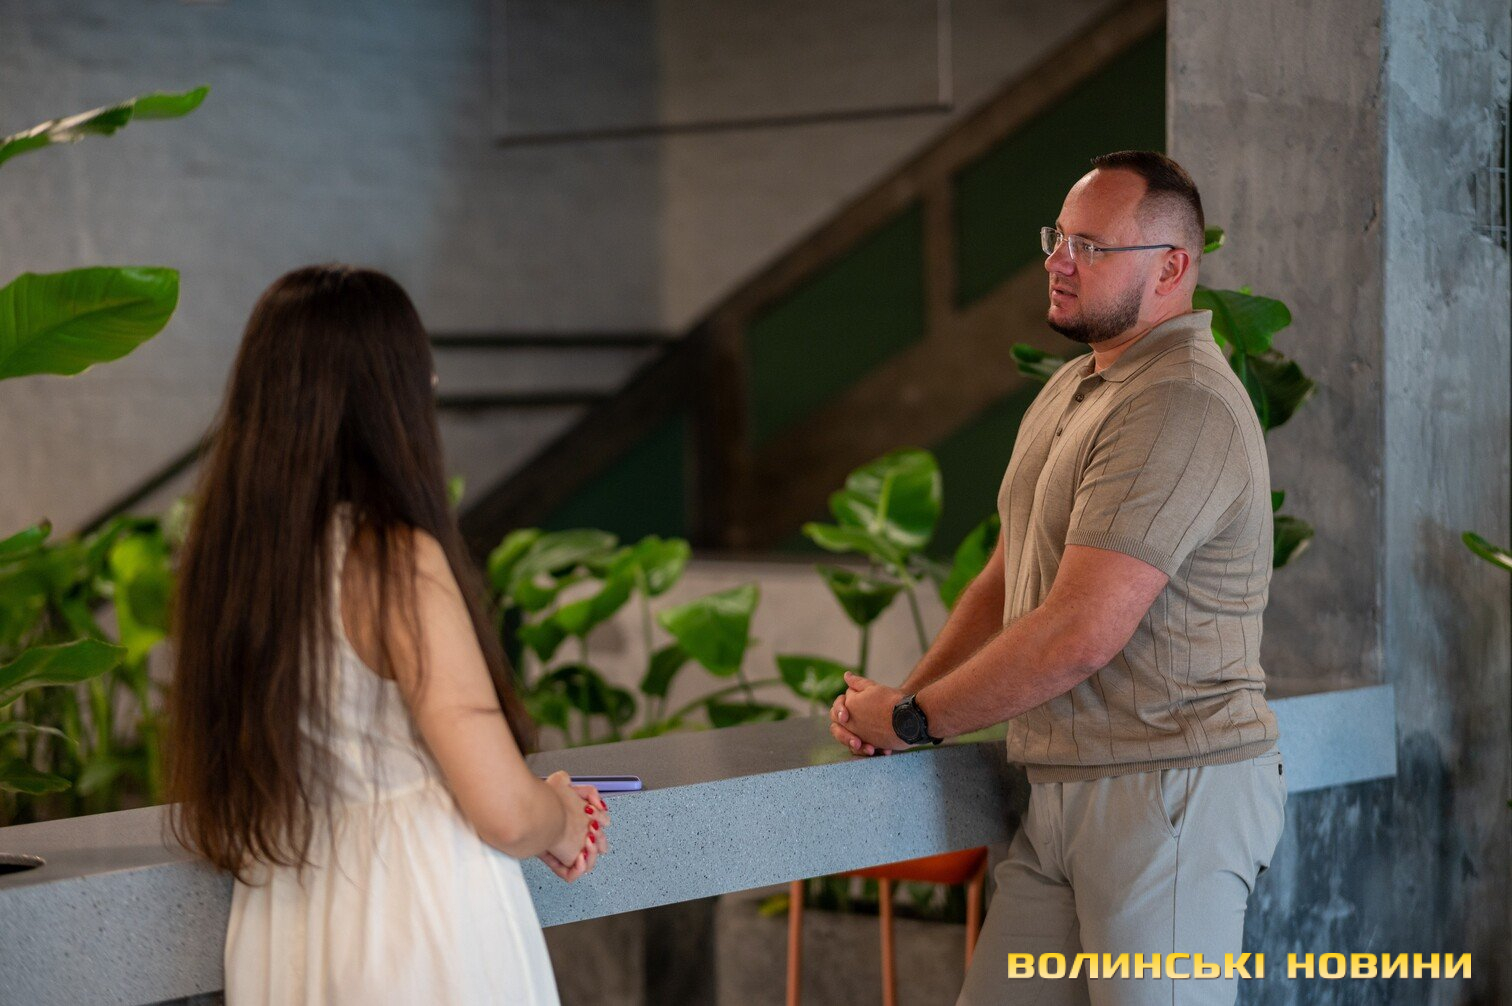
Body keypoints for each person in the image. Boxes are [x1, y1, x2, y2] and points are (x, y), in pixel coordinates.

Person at [830, 151, 1286, 1005]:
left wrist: (916, 718)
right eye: (1058, 238)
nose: (1058, 261)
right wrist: (904, 709)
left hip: (1168, 795)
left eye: (1091, 246)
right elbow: (1007, 579)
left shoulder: (1179, 401)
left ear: (1171, 268)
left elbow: (1079, 632)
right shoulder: (1080, 385)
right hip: (1063, 793)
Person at [168, 265, 606, 1005]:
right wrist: (563, 815)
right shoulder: (392, 560)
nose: (430, 383)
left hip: (284, 920)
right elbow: (504, 811)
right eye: (416, 367)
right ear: (384, 397)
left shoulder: (236, 567)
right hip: (416, 920)